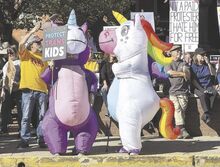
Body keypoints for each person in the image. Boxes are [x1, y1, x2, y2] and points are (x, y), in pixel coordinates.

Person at [17, 22, 48, 149]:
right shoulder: (25, 55)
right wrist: (32, 31)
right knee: (26, 117)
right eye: (37, 43)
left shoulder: (45, 58)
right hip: (28, 90)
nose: (39, 44)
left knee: (42, 117)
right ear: (31, 45)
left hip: (42, 90)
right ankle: (24, 140)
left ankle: (41, 139)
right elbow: (20, 43)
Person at [165, 45, 191, 139]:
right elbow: (170, 72)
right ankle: (182, 129)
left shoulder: (183, 63)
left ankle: (178, 129)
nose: (179, 53)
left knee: (182, 111)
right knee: (177, 109)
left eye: (180, 51)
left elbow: (188, 76)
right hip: (173, 92)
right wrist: (182, 74)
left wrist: (184, 73)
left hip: (183, 92)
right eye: (177, 51)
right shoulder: (168, 63)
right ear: (172, 53)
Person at [191, 47, 218, 124]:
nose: (203, 56)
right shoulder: (193, 66)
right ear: (197, 56)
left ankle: (206, 114)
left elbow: (214, 75)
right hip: (198, 87)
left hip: (208, 85)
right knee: (203, 95)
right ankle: (207, 113)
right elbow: (193, 80)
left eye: (204, 54)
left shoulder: (207, 65)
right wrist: (202, 89)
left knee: (214, 93)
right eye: (201, 55)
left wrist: (209, 63)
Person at [0, 45, 21, 134]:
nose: (10, 55)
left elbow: (24, 77)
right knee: (4, 109)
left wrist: (18, 83)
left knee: (21, 110)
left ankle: (21, 129)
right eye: (8, 53)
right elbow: (4, 78)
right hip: (7, 89)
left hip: (18, 89)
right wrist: (2, 91)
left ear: (16, 53)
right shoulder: (6, 64)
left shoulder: (20, 63)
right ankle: (3, 128)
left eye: (11, 52)